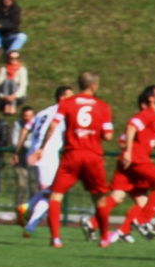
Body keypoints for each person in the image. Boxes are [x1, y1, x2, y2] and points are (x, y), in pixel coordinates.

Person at [84, 85, 155, 243]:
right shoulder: (148, 114)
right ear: (151, 99)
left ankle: (95, 224)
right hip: (138, 159)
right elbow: (131, 125)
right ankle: (141, 222)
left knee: (122, 197)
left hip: (129, 162)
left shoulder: (154, 118)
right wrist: (129, 151)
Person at [29, 72, 114, 249]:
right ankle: (104, 237)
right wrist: (93, 132)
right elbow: (108, 135)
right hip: (92, 155)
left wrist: (42, 147)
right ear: (94, 85)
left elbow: (53, 125)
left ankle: (56, 239)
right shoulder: (103, 106)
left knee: (55, 196)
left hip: (72, 155)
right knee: (100, 199)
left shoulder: (67, 103)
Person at [15, 86, 73, 238]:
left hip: (34, 153)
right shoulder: (63, 113)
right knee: (51, 194)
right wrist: (43, 148)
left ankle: (27, 207)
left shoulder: (43, 112)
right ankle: (31, 225)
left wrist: (17, 152)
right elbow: (57, 130)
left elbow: (25, 128)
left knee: (48, 190)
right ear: (62, 98)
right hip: (46, 154)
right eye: (70, 96)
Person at [9, 105, 37, 208]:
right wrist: (27, 144)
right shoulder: (17, 124)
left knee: (34, 187)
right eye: (25, 116)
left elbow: (38, 141)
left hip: (34, 161)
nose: (28, 118)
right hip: (21, 160)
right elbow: (14, 141)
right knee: (22, 186)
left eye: (30, 116)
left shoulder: (37, 125)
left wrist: (24, 143)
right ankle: (20, 211)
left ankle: (33, 210)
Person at [0, 50, 28, 115]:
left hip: (18, 96)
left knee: (12, 82)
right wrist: (3, 96)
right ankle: (7, 105)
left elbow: (23, 86)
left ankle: (12, 106)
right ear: (8, 58)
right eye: (11, 58)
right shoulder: (3, 69)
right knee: (7, 80)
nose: (13, 60)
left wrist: (14, 96)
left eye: (16, 58)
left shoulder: (22, 69)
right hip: (5, 96)